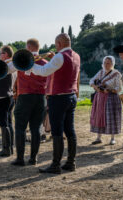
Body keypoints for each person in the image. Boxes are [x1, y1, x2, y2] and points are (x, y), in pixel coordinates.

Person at [31, 33, 80, 174]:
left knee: (57, 131)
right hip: (71, 96)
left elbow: (43, 71)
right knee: (70, 130)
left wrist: (30, 64)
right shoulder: (76, 55)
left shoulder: (59, 56)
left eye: (56, 43)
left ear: (59, 43)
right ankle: (71, 163)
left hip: (58, 98)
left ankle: (55, 165)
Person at [11, 38, 48, 166]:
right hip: (40, 97)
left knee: (20, 128)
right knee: (36, 128)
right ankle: (33, 158)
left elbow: (7, 69)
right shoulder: (45, 62)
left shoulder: (21, 60)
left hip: (25, 96)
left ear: (28, 48)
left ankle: (20, 159)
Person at [90, 56, 122, 145]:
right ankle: (98, 138)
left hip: (111, 98)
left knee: (111, 118)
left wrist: (109, 90)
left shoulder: (117, 74)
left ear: (112, 64)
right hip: (100, 98)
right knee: (99, 117)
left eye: (108, 63)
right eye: (105, 63)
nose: (106, 65)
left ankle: (112, 138)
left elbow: (119, 88)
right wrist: (96, 87)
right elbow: (91, 81)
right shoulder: (100, 72)